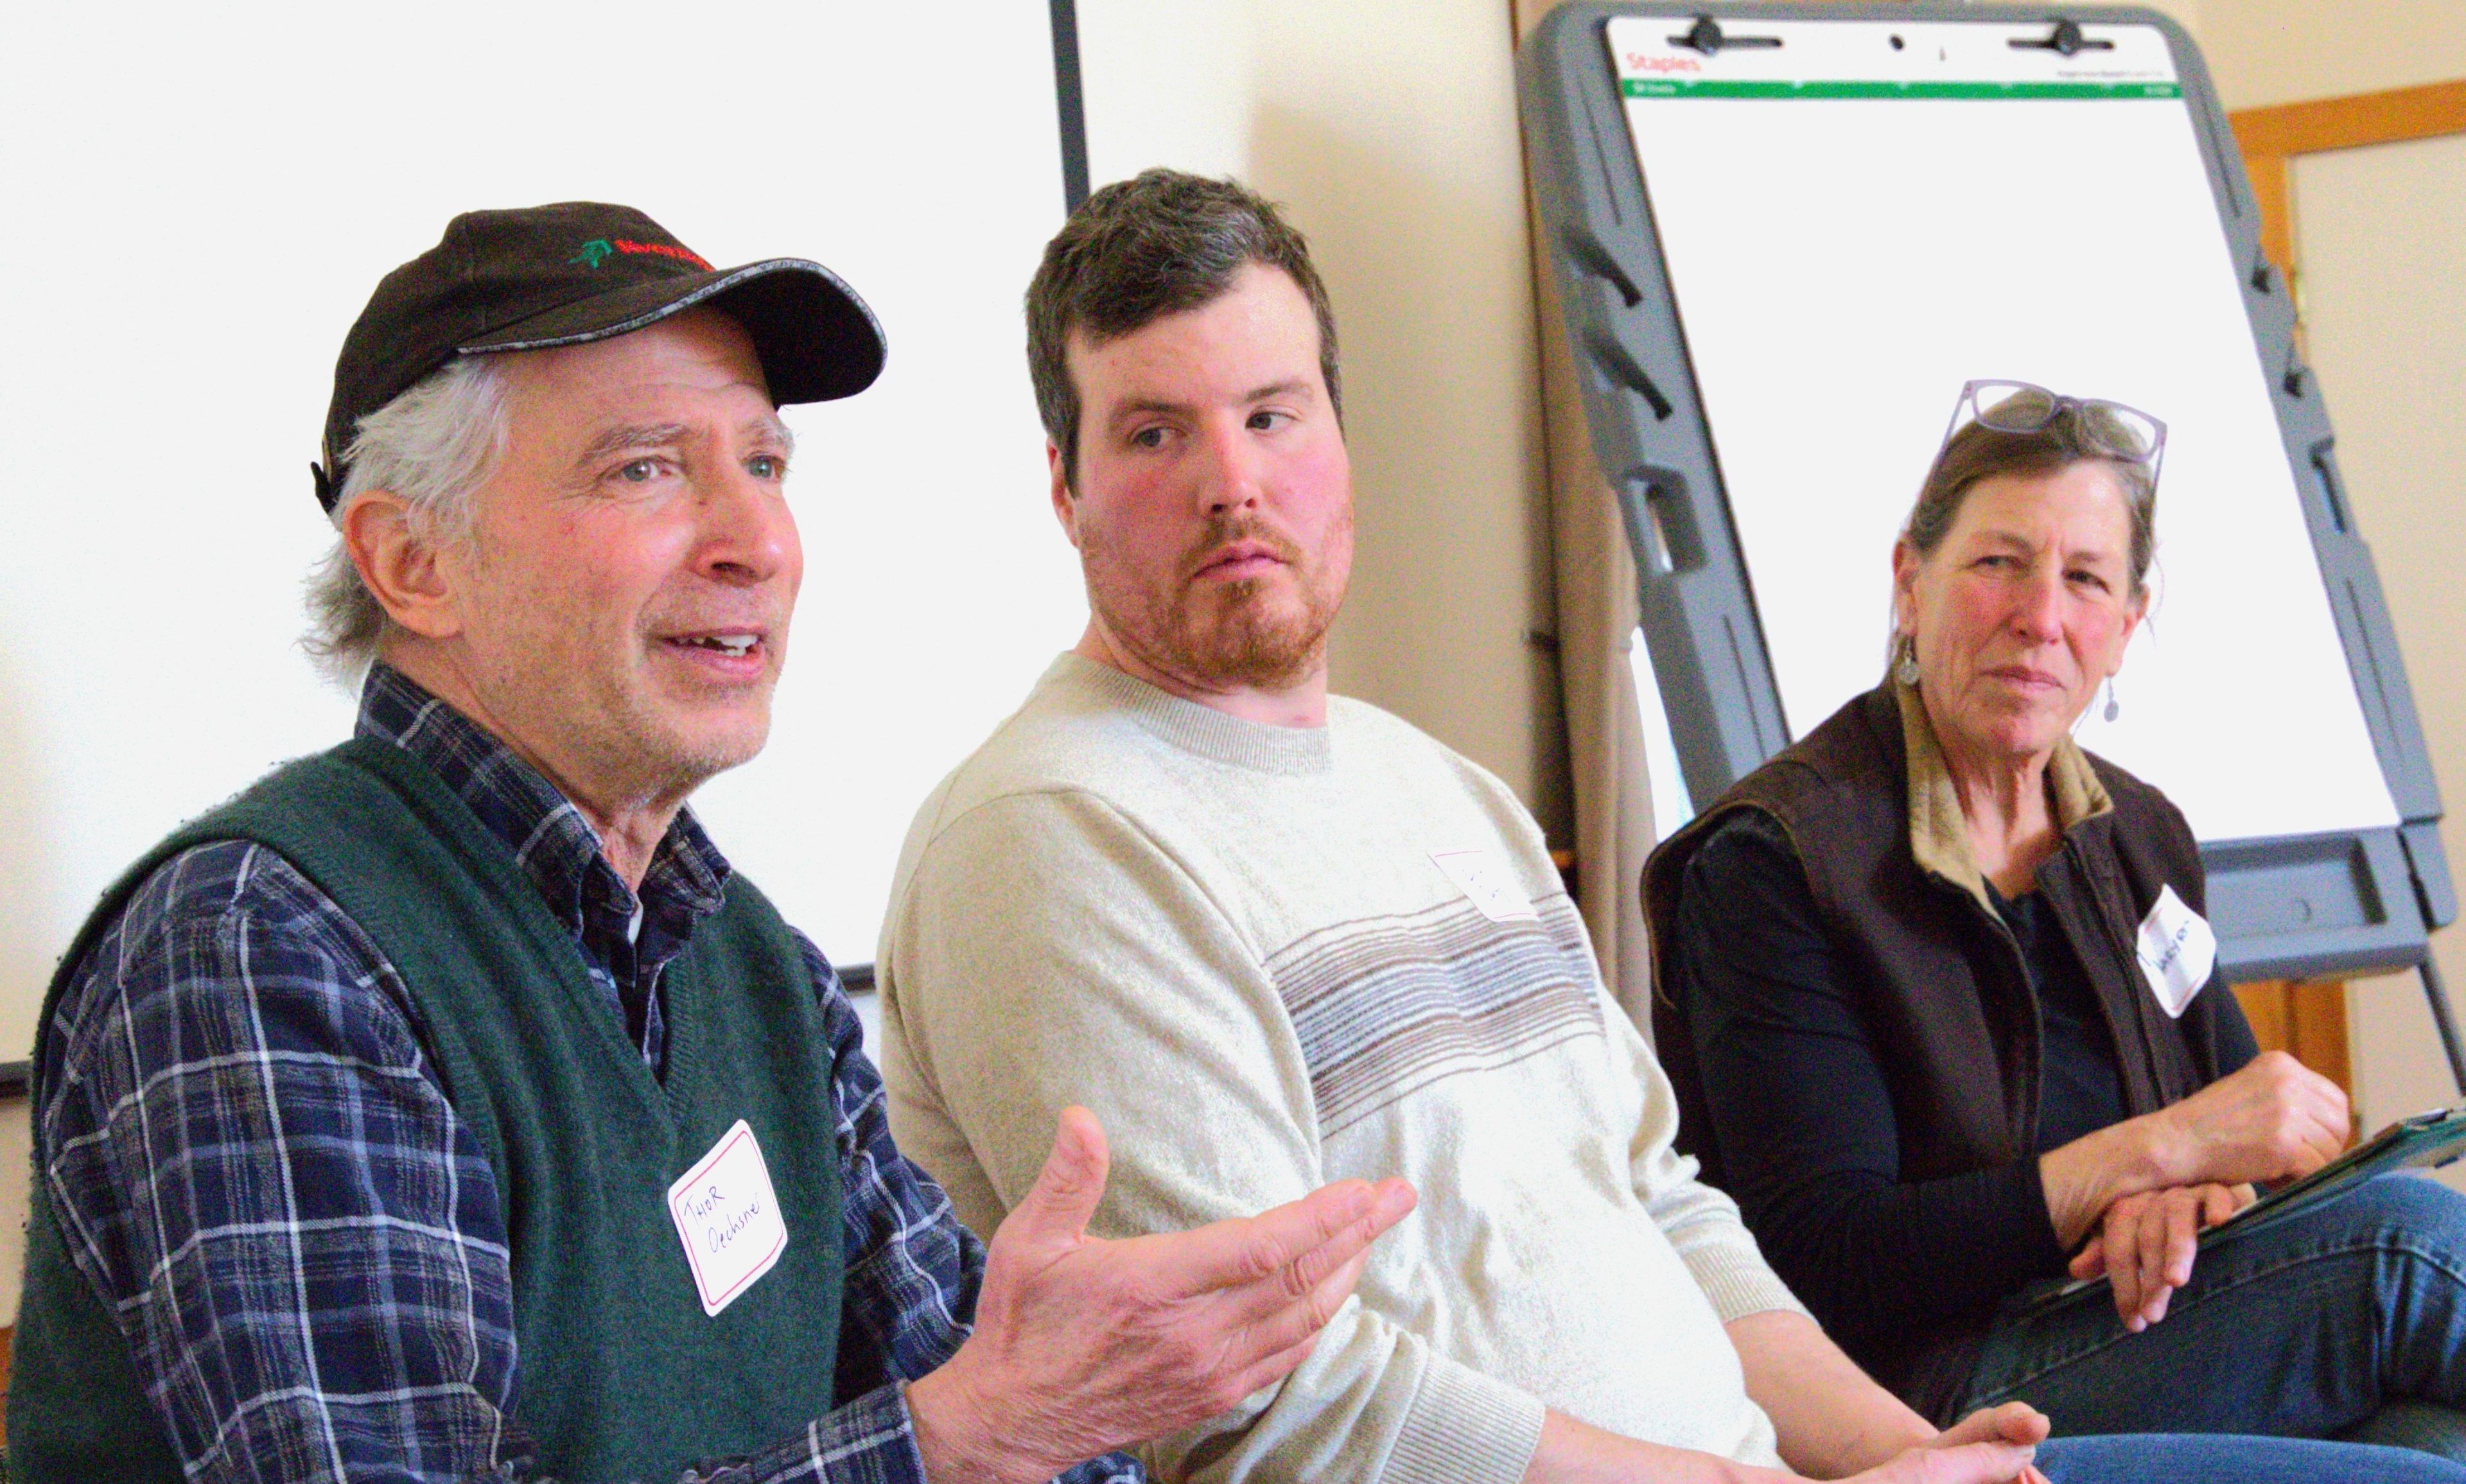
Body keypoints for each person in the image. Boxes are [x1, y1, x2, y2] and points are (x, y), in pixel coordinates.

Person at [871, 172, 2462, 1484]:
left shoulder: (1444, 793)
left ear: (1342, 443)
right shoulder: (1052, 841)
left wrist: (1913, 1458)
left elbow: (1667, 1203)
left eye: (1274, 416)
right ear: (1066, 489)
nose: (1235, 482)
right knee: (2406, 1275)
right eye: (1156, 433)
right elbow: (1275, 1410)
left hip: (1789, 1459)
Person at [8, 202, 1422, 1484]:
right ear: (411, 563)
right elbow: (963, 1430)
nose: (760, 537)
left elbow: (1006, 1415)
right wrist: (952, 1446)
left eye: (764, 461)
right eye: (644, 470)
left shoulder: (755, 971)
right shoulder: (260, 952)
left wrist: (1053, 1418)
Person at [1645, 379, 2466, 1461]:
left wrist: (2186, 1192)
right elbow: (1824, 1260)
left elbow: (2256, 1130)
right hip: (1925, 1390)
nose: (2041, 616)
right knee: (2411, 1251)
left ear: (2125, 629)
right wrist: (2147, 1156)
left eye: (2086, 579)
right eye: (1998, 563)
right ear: (1909, 582)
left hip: (2137, 1322)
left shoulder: (2134, 835)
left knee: (2428, 1441)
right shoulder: (1777, 863)